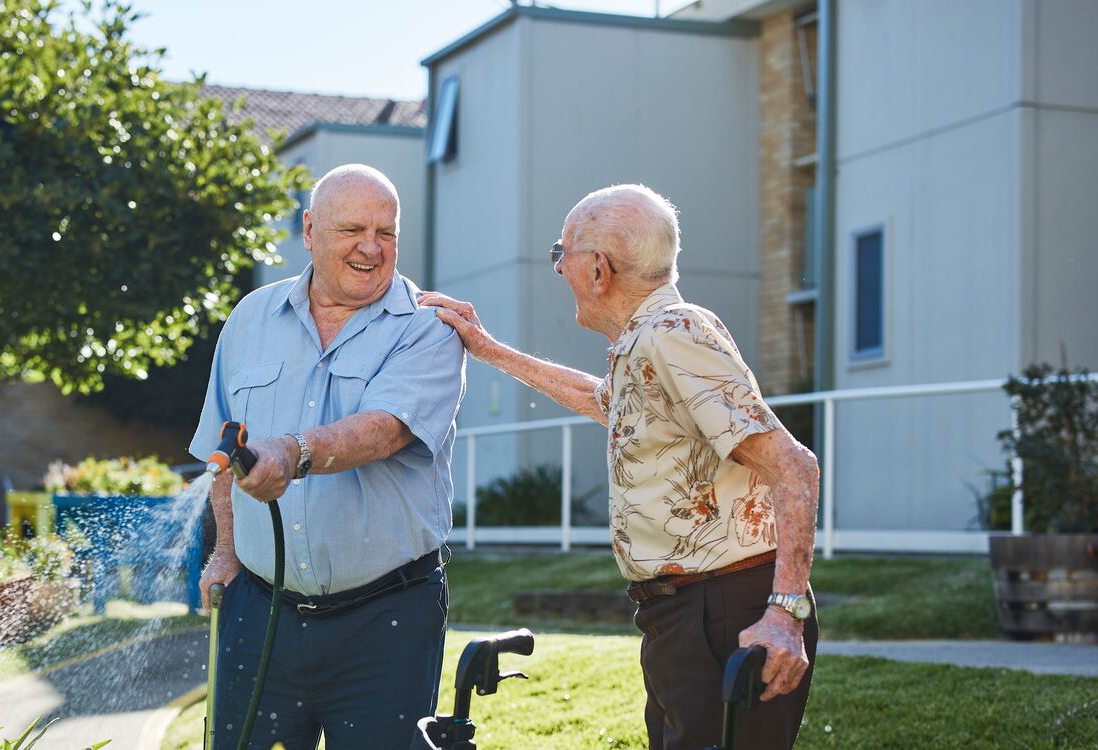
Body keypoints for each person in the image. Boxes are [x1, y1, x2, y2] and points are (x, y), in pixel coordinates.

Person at [419, 184, 819, 749]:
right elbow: (602, 401)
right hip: (688, 612)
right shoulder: (649, 342)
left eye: (563, 257)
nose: (559, 271)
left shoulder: (672, 336)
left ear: (599, 269)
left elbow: (794, 466)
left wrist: (785, 612)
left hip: (726, 610)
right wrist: (487, 349)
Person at [190, 163, 466, 749]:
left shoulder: (429, 328)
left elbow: (385, 431)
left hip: (385, 620)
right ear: (310, 229)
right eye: (352, 230)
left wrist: (294, 452)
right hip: (259, 610)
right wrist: (225, 551)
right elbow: (225, 442)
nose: (371, 247)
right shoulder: (249, 321)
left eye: (386, 232)